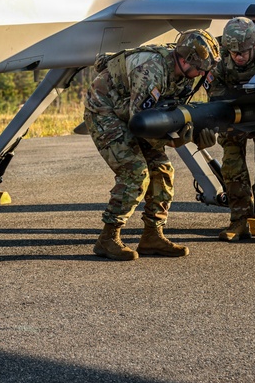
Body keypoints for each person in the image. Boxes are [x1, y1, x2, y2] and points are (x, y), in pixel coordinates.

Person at [84, 29, 221, 261]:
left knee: (163, 170)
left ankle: (152, 236)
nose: (201, 73)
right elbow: (141, 125)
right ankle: (108, 238)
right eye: (199, 68)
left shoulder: (184, 77)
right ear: (185, 60)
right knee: (135, 172)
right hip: (105, 110)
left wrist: (198, 133)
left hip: (131, 112)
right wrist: (179, 140)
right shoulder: (151, 71)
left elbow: (169, 114)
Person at [204, 17, 255, 243]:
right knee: (232, 167)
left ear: (254, 45)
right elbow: (214, 92)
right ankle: (239, 220)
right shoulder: (220, 58)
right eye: (234, 52)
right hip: (234, 115)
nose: (238, 56)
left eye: (242, 52)